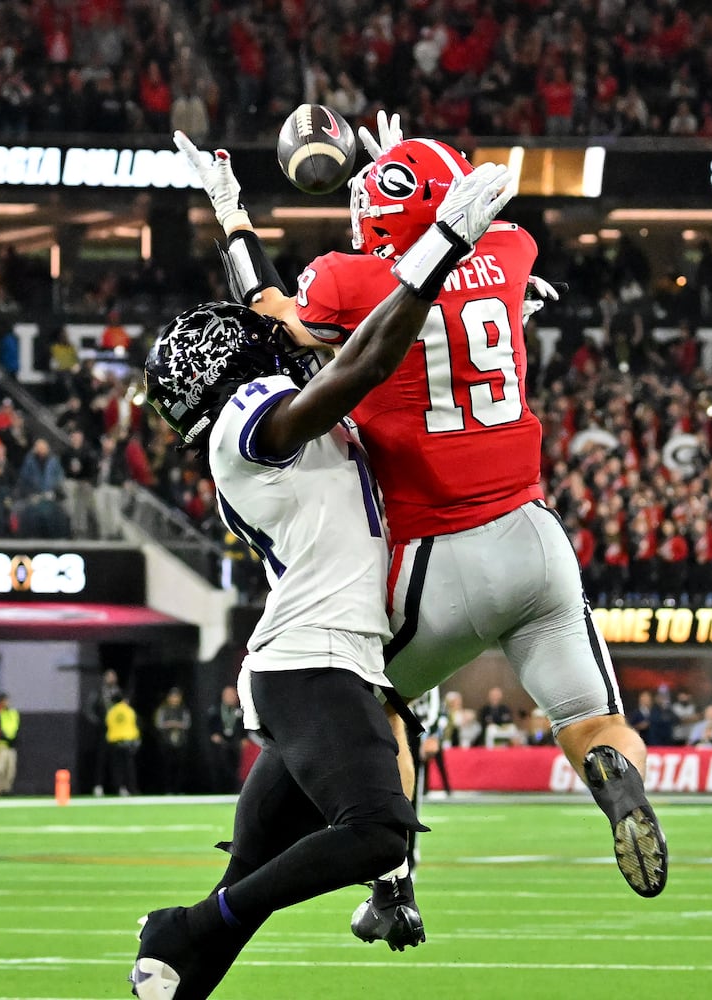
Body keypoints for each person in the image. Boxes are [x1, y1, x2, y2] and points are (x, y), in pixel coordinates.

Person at [179, 117, 667, 943]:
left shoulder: (347, 280)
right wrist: (398, 164)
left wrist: (232, 215)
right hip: (535, 535)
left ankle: (393, 884)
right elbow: (458, 223)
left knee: (376, 703)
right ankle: (614, 778)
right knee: (589, 717)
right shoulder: (510, 256)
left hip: (434, 550)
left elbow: (269, 314)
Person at [131, 160, 511, 999]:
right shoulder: (245, 427)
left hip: (322, 658)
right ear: (218, 371)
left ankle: (177, 961)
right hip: (310, 660)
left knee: (245, 894)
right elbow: (359, 367)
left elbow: (270, 304)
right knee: (376, 833)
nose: (250, 330)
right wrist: (441, 249)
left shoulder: (254, 397)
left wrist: (231, 213)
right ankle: (186, 930)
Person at [154, 687, 193, 794]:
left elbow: (187, 724)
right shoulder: (163, 710)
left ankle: (179, 789)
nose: (175, 699)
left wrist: (174, 724)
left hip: (180, 742)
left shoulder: (183, 710)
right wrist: (172, 724)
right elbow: (159, 724)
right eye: (172, 696)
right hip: (166, 742)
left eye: (177, 697)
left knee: (180, 767)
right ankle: (168, 789)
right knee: (167, 766)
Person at [206, 684, 243, 794]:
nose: (231, 697)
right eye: (228, 695)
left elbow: (243, 725)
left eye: (233, 694)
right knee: (220, 765)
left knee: (235, 767)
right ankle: (219, 791)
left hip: (235, 742)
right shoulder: (216, 709)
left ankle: (234, 790)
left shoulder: (240, 710)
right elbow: (210, 724)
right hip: (220, 743)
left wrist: (243, 738)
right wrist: (214, 734)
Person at [105, 693, 141, 796]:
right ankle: (132, 789)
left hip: (114, 742)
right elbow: (133, 725)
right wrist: (136, 740)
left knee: (117, 767)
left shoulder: (111, 711)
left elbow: (108, 724)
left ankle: (119, 788)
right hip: (127, 742)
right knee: (129, 768)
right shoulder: (129, 710)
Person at [0, 692, 19, 795]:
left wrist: (13, 739)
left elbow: (17, 727)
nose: (6, 702)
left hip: (11, 745)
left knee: (10, 770)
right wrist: (4, 737)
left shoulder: (13, 712)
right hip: (1, 744)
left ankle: (7, 790)